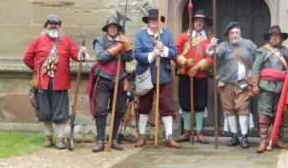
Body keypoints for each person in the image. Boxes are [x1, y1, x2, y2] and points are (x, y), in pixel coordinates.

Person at [23, 14, 87, 149]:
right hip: (43, 83)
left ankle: (60, 138)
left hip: (60, 82)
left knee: (60, 112)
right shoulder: (38, 41)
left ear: (59, 26)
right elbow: (27, 58)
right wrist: (39, 69)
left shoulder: (67, 41)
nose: (53, 25)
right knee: (44, 111)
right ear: (46, 26)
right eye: (50, 23)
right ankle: (48, 137)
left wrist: (82, 53)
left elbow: (76, 56)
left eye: (56, 23)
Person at [133, 9, 179, 148]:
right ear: (148, 21)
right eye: (151, 19)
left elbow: (173, 53)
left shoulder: (167, 35)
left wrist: (163, 48)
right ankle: (142, 136)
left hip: (163, 76)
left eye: (156, 19)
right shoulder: (141, 35)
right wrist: (152, 54)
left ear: (160, 21)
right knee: (144, 106)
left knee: (166, 105)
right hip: (146, 75)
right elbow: (137, 54)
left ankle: (169, 136)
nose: (154, 22)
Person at [87, 15, 134, 152]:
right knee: (100, 109)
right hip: (103, 78)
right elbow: (101, 58)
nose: (113, 29)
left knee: (119, 110)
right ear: (107, 28)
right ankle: (100, 140)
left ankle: (113, 140)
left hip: (120, 78)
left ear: (118, 28)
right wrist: (117, 48)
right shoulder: (100, 40)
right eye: (110, 27)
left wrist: (126, 46)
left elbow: (130, 58)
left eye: (115, 27)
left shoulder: (123, 40)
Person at [251, 25, 288, 153]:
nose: (275, 37)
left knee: (278, 114)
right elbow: (256, 68)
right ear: (269, 37)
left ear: (281, 38)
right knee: (264, 113)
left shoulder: (286, 51)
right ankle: (263, 141)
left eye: (278, 36)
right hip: (265, 86)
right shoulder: (262, 51)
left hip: (281, 87)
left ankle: (276, 139)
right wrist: (254, 84)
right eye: (273, 35)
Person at [212, 22, 257, 149]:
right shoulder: (223, 46)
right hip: (226, 83)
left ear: (240, 33)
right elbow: (215, 54)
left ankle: (244, 137)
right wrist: (212, 47)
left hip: (243, 83)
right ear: (228, 35)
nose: (235, 35)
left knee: (243, 109)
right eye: (232, 33)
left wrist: (255, 77)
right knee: (229, 109)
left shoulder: (249, 44)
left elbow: (258, 58)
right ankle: (234, 136)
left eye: (237, 32)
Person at [175, 9, 214, 144]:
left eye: (201, 21)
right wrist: (184, 61)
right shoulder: (183, 37)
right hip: (185, 75)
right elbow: (175, 52)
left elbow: (212, 56)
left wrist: (198, 66)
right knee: (185, 103)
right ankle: (186, 132)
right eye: (196, 20)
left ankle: (199, 132)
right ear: (192, 22)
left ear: (204, 23)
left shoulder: (209, 39)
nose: (199, 23)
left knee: (200, 104)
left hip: (201, 75)